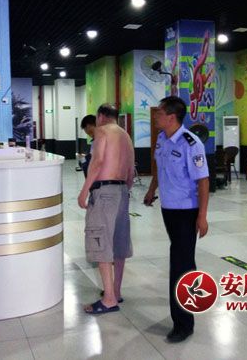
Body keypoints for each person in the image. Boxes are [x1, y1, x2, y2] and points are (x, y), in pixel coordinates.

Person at [143, 96, 209, 343]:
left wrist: (202, 216)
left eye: (159, 113)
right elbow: (160, 169)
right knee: (182, 261)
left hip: (186, 212)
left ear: (172, 117)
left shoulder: (191, 143)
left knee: (180, 266)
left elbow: (203, 181)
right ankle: (185, 312)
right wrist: (152, 190)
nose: (155, 116)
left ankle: (184, 323)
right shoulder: (162, 138)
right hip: (168, 209)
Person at [77, 104, 134, 315]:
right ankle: (116, 292)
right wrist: (123, 191)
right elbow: (130, 171)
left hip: (104, 191)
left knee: (101, 241)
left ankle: (109, 299)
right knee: (119, 245)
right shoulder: (126, 136)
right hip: (122, 191)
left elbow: (98, 161)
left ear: (100, 116)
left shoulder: (102, 131)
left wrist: (84, 190)